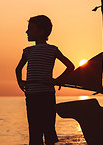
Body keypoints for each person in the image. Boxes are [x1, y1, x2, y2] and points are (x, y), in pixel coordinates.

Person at [15, 15, 75, 145]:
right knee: (34, 131)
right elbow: (18, 69)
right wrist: (21, 82)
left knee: (49, 130)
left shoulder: (52, 49)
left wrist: (58, 80)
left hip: (46, 95)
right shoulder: (27, 51)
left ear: (41, 32)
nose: (27, 32)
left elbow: (70, 66)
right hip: (31, 96)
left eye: (30, 29)